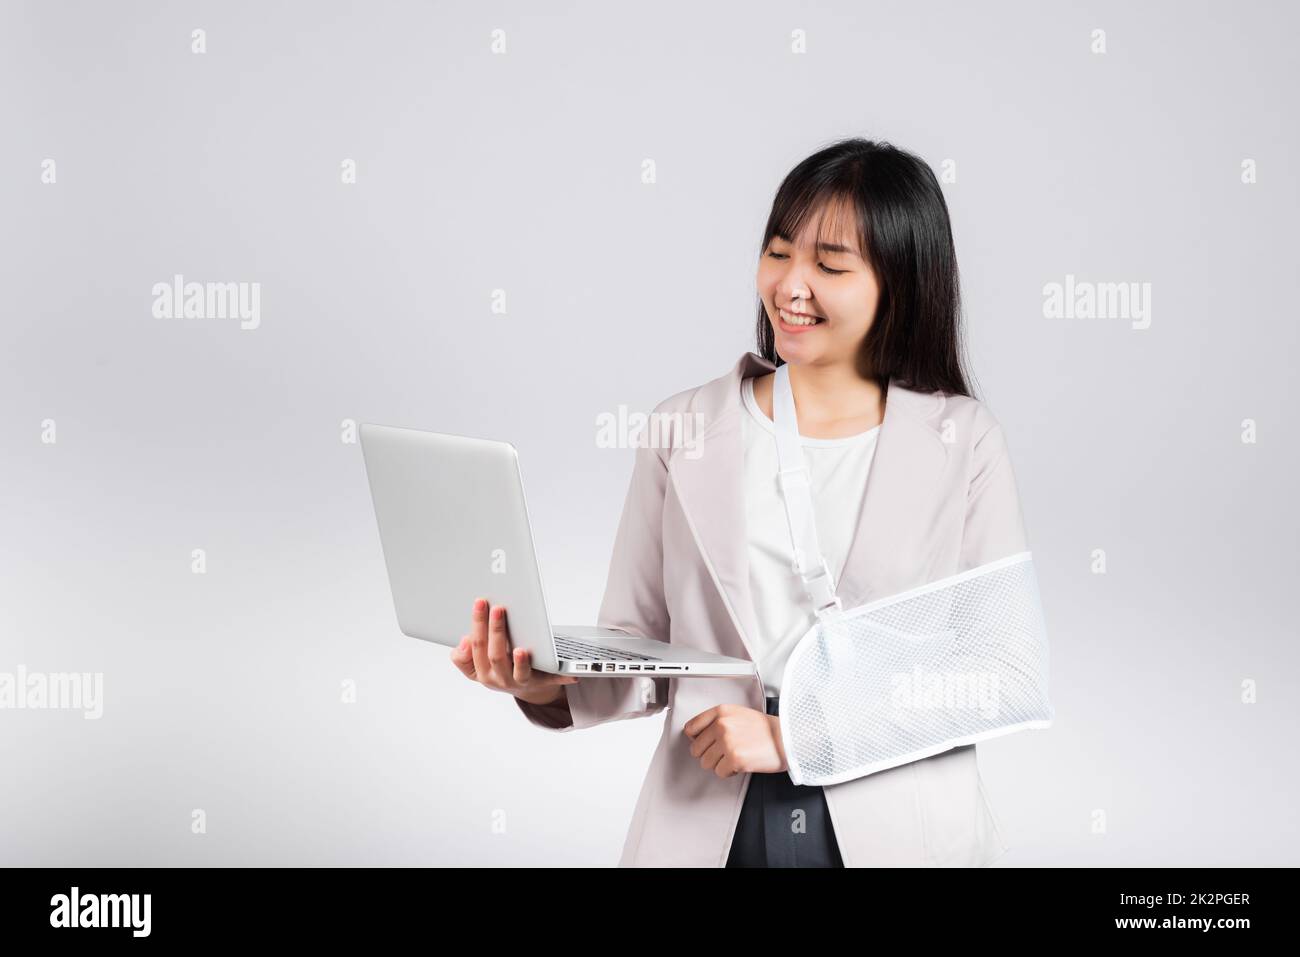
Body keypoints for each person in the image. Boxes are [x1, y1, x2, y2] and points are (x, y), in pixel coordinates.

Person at [450, 137, 1026, 867]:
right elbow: (639, 643)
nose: (790, 284)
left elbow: (999, 673)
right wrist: (542, 684)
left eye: (830, 264)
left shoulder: (963, 441)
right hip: (709, 807)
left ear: (901, 282)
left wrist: (799, 737)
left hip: (896, 819)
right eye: (779, 252)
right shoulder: (683, 428)